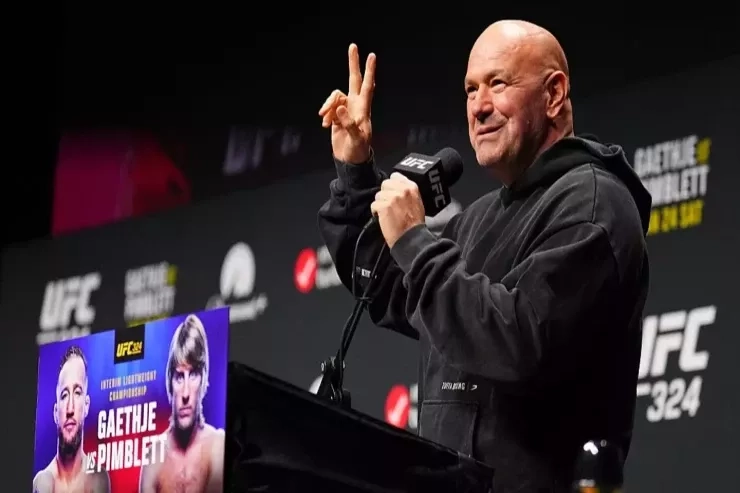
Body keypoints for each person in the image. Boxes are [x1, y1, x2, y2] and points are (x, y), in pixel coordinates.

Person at [317, 20, 651, 493]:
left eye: (498, 83)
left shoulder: (594, 205)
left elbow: (518, 343)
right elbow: (387, 285)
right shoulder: (477, 219)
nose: (479, 106)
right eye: (471, 89)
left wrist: (415, 241)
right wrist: (355, 172)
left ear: (554, 94)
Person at [139, 314, 225, 493]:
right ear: (170, 383)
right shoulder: (153, 457)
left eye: (193, 375)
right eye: (179, 377)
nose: (185, 393)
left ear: (203, 379)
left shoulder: (217, 445)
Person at [33, 346, 111, 493]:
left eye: (77, 392)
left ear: (86, 405)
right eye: (64, 395)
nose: (70, 408)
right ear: (55, 412)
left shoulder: (97, 479)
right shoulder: (43, 482)